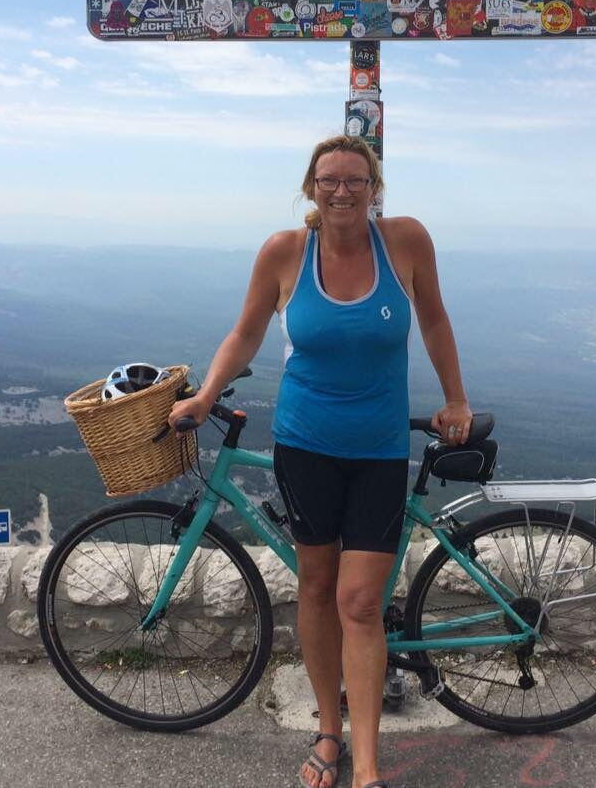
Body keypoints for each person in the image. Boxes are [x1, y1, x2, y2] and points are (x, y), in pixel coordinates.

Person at [169, 134, 472, 788]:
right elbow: (246, 330)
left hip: (380, 449)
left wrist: (456, 397)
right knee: (315, 588)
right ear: (311, 186)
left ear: (374, 188)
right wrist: (206, 393)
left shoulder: (406, 243)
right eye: (329, 179)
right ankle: (328, 733)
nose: (342, 190)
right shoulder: (285, 252)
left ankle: (366, 764)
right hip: (305, 446)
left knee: (359, 603)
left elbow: (436, 320)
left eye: (355, 180)